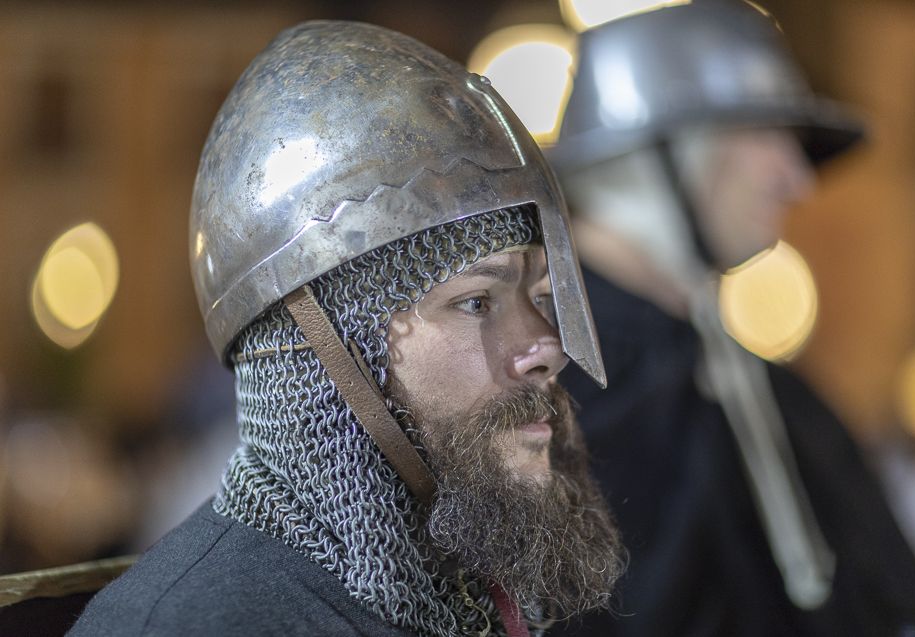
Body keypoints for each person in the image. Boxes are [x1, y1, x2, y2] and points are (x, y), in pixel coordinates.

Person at [69, 21, 625, 637]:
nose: (546, 348)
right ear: (321, 344)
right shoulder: (196, 625)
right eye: (475, 302)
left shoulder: (495, 588)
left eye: (542, 296)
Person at [546, 2, 915, 636]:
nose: (797, 179)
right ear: (661, 155)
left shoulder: (744, 380)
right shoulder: (555, 388)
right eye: (764, 134)